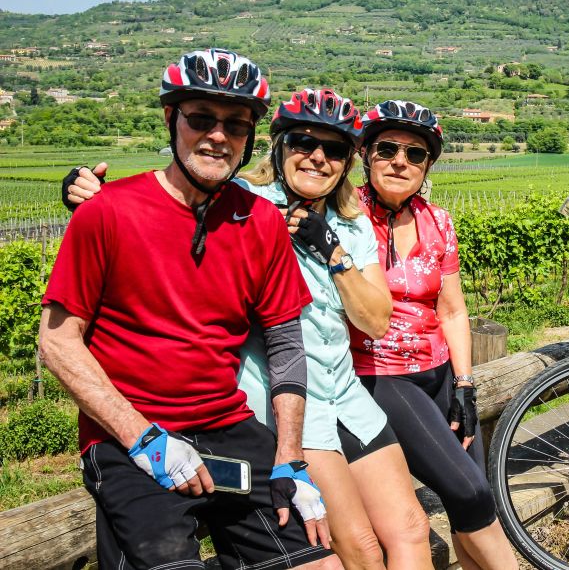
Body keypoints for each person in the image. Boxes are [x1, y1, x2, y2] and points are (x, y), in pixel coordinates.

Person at [62, 88, 435, 569]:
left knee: (411, 527)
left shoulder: (351, 222)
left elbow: (376, 321)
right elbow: (173, 212)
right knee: (358, 548)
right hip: (277, 403)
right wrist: (93, 198)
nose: (318, 158)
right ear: (277, 146)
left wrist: (334, 254)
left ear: (348, 162)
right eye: (302, 142)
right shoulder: (247, 206)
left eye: (335, 149)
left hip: (339, 392)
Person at [41, 48, 339, 570]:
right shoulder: (106, 213)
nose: (218, 135)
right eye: (201, 118)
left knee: (321, 563)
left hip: (228, 424)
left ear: (249, 138)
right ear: (170, 120)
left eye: (235, 125)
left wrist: (291, 458)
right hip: (128, 433)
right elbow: (58, 341)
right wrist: (143, 438)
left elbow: (286, 345)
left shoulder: (261, 222)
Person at [352, 100, 517, 570]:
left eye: (416, 154)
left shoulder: (438, 220)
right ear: (365, 155)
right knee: (470, 492)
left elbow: (452, 308)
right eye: (387, 149)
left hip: (441, 372)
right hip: (382, 374)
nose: (400, 161)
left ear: (428, 165)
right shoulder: (346, 216)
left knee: (473, 504)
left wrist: (464, 384)